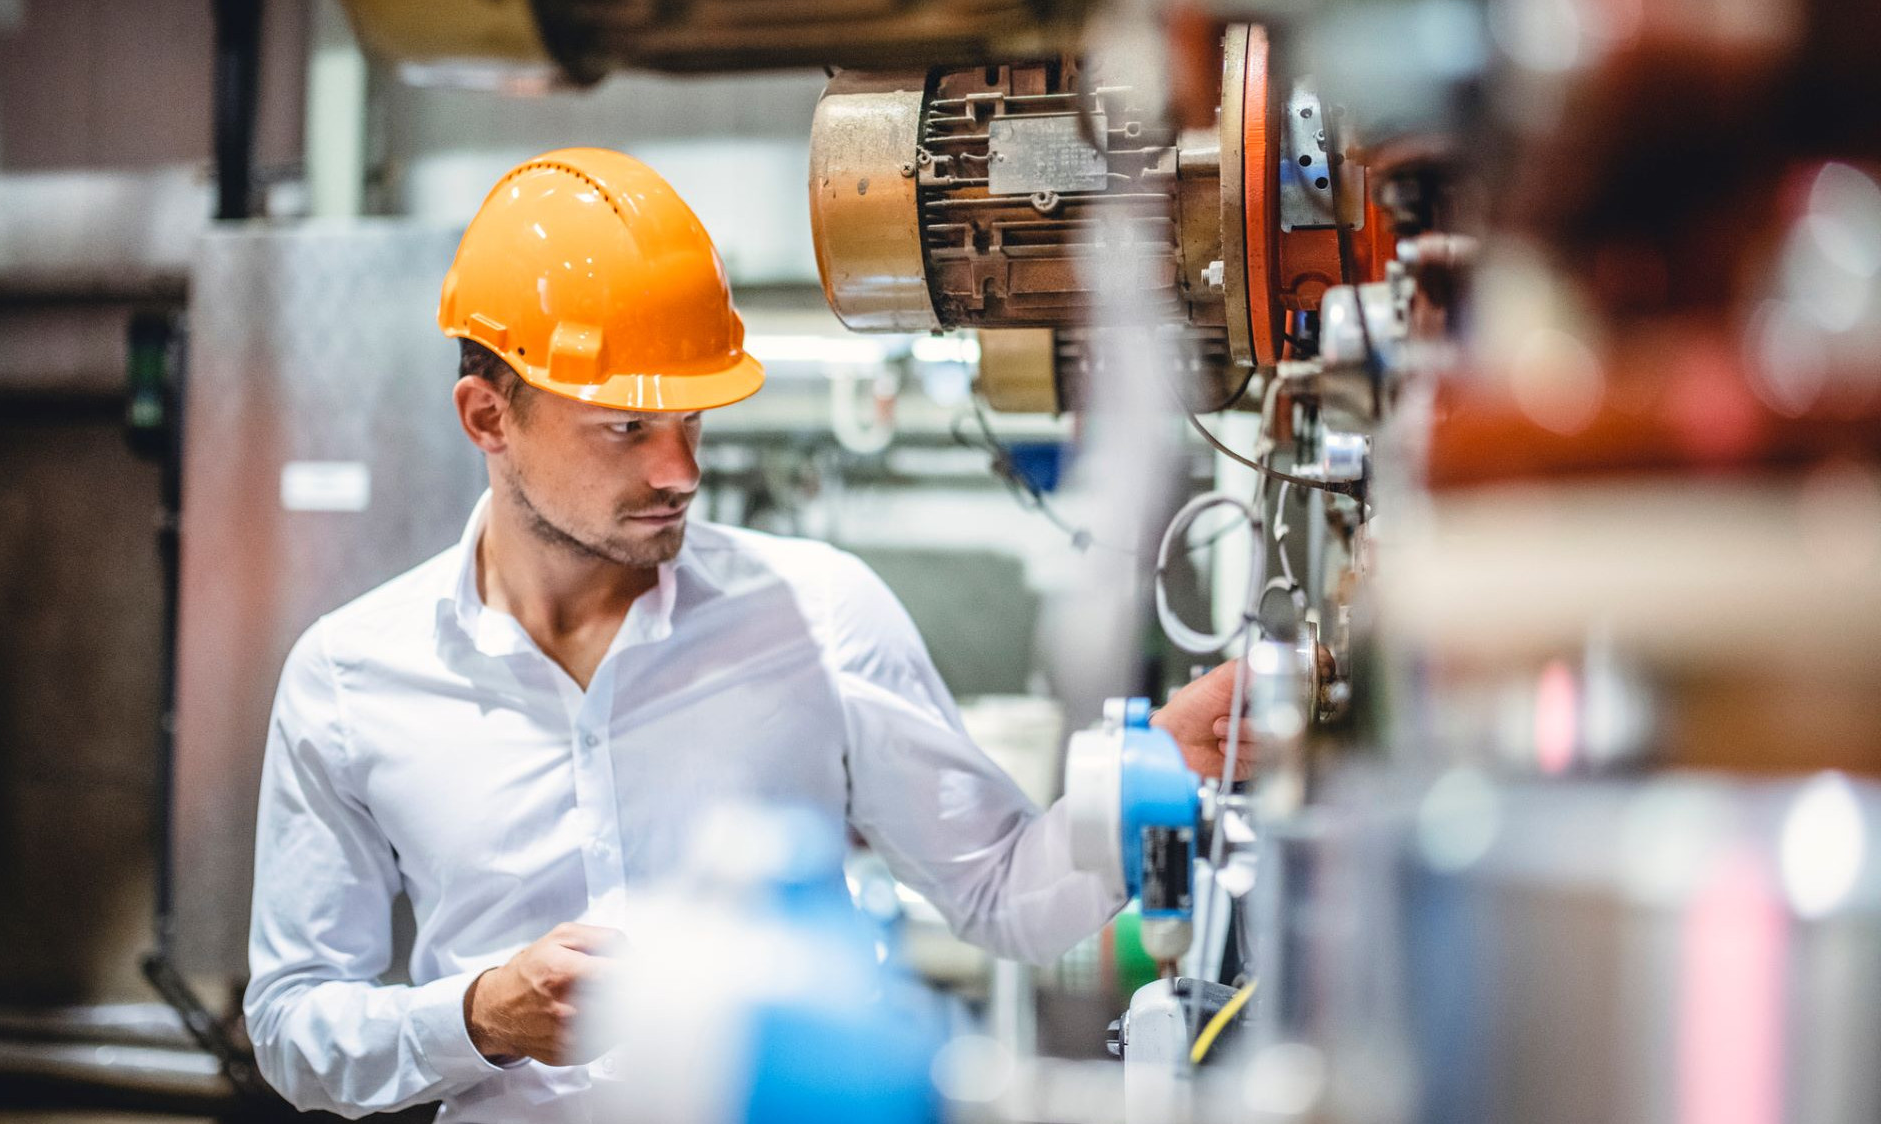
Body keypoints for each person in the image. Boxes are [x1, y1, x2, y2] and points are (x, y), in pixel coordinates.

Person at [242, 148, 1253, 1122]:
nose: (679, 469)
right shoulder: (352, 677)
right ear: (485, 415)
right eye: (626, 427)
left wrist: (1148, 769)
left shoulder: (819, 616)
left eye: (694, 421)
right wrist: (476, 1017)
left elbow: (998, 893)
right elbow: (292, 1027)